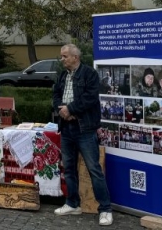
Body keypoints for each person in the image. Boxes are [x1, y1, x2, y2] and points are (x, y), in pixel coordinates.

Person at [52, 44, 113, 226]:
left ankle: (105, 209)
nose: (62, 59)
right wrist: (61, 109)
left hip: (84, 128)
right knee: (69, 168)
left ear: (75, 57)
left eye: (65, 56)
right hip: (67, 128)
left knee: (94, 169)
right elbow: (55, 94)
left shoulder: (89, 74)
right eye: (62, 56)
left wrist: (70, 109)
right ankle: (73, 203)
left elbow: (90, 97)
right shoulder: (62, 75)